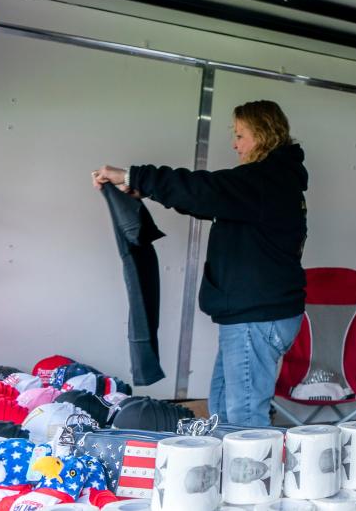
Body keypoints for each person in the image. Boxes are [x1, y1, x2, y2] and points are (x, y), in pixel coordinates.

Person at [93, 99, 309, 427]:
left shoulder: (266, 179)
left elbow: (205, 190)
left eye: (240, 135)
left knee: (245, 419)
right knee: (223, 409)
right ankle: (231, 473)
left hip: (256, 317)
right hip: (252, 315)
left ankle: (252, 477)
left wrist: (134, 175)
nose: (234, 143)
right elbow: (209, 200)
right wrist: (140, 189)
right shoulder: (270, 181)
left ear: (263, 134)